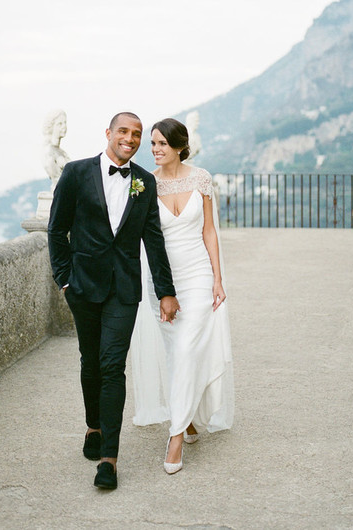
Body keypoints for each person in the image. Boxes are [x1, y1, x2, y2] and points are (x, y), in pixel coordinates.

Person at [48, 112, 180, 490]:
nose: (131, 138)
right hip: (82, 287)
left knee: (112, 366)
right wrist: (63, 279)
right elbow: (57, 229)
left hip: (124, 289)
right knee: (90, 362)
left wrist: (165, 290)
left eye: (137, 134)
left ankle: (109, 458)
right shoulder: (75, 173)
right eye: (124, 131)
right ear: (108, 133)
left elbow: (153, 239)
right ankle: (94, 425)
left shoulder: (145, 181)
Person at [131, 117, 234, 474]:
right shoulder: (144, 184)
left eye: (161, 144)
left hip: (198, 273)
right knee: (177, 353)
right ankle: (187, 419)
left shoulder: (201, 178)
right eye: (153, 144)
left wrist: (218, 279)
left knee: (189, 348)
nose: (155, 150)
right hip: (162, 282)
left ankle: (175, 437)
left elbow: (209, 231)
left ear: (178, 146)